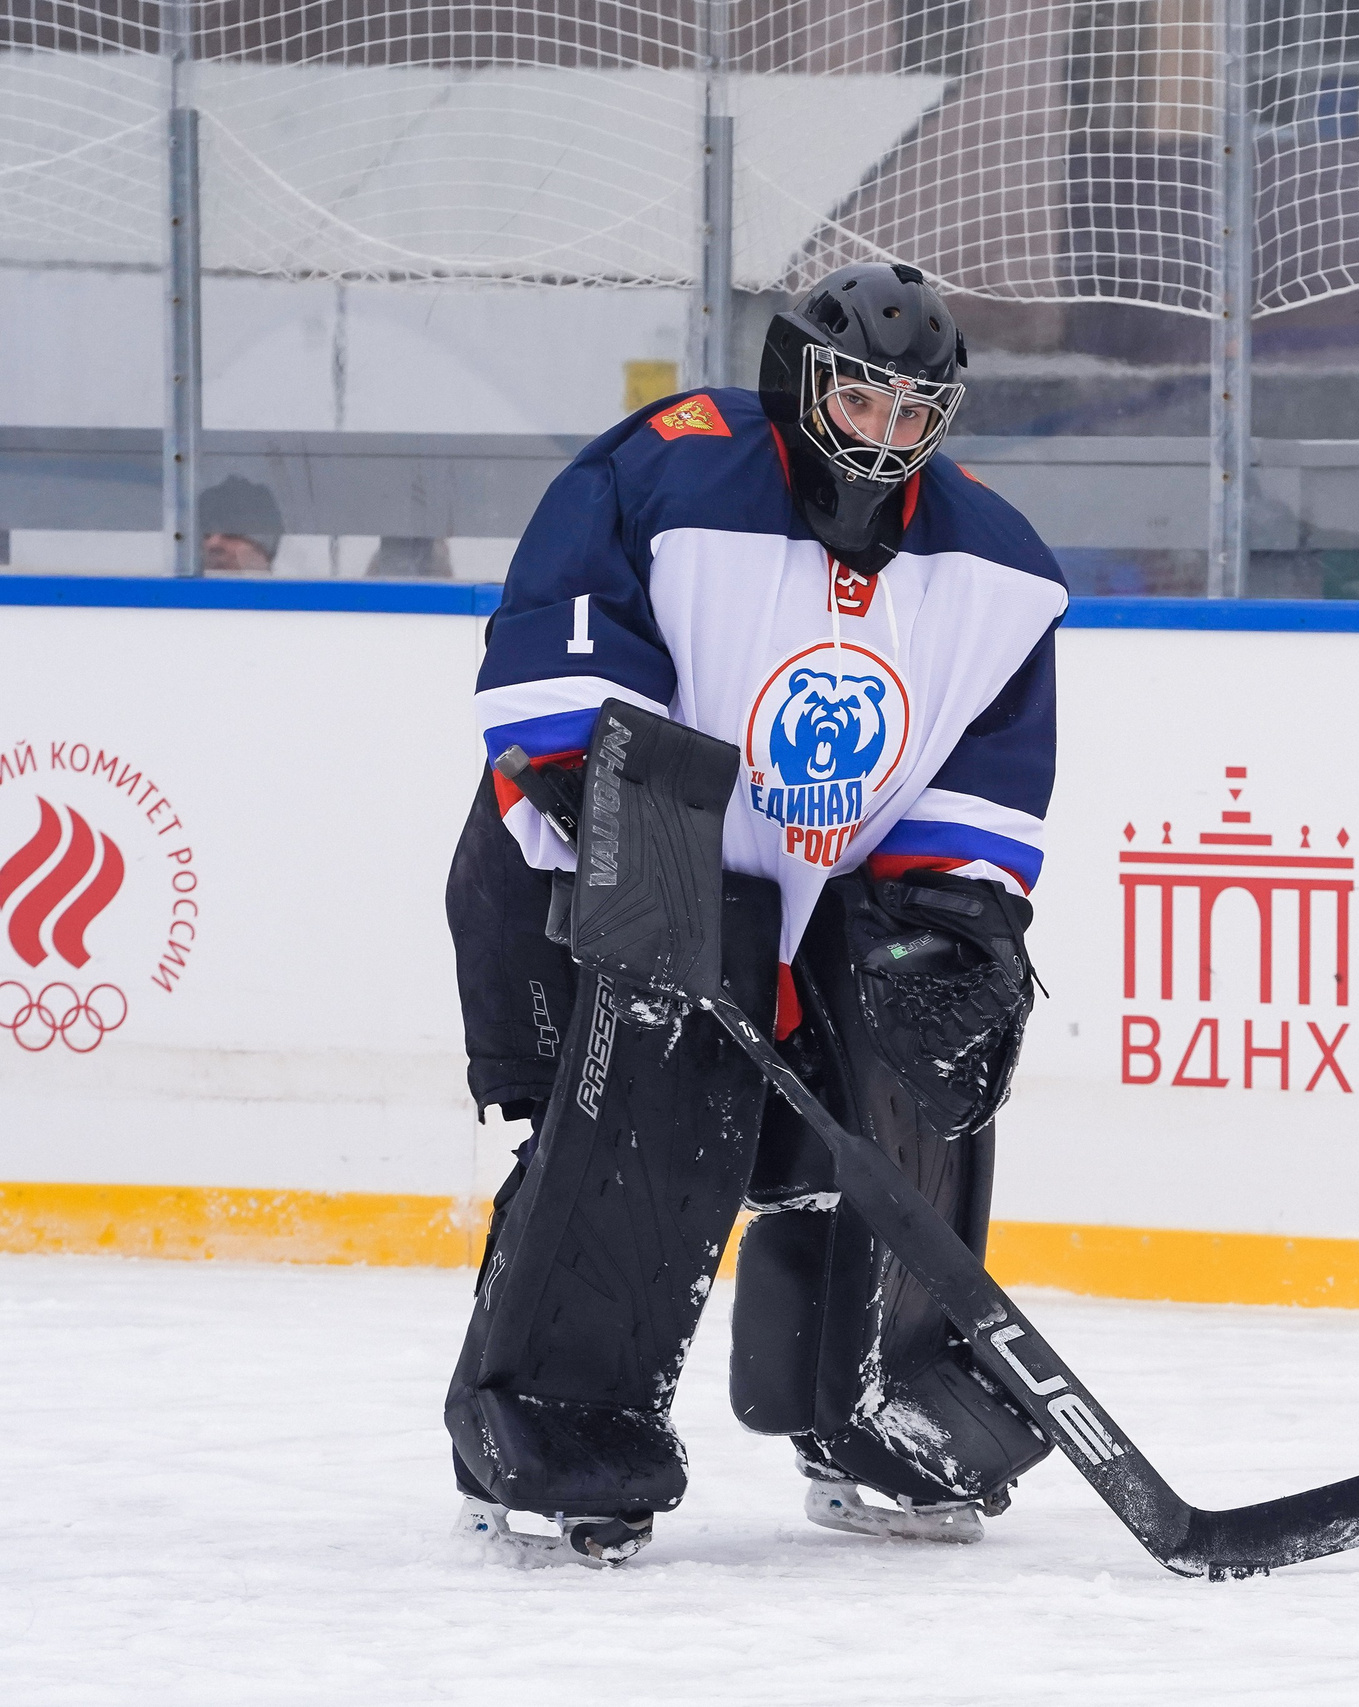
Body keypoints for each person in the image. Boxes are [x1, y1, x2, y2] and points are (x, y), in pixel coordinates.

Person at [442, 262, 1068, 1564]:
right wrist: (607, 804)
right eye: (861, 400)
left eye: (914, 415)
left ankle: (892, 1411)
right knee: (644, 1118)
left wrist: (960, 918)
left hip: (816, 879)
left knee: (919, 1068)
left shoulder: (997, 566)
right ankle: (557, 1421)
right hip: (602, 843)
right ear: (799, 378)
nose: (884, 438)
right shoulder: (670, 469)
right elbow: (563, 649)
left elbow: (983, 771)